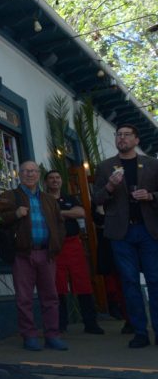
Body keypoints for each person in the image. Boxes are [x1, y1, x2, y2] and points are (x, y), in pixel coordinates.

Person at [93, 123, 158, 348]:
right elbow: (97, 199)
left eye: (127, 135)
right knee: (129, 282)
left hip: (149, 230)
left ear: (136, 140)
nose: (122, 138)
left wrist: (151, 196)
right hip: (121, 233)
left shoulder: (152, 164)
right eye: (119, 135)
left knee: (155, 281)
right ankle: (140, 332)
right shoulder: (105, 167)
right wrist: (110, 187)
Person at [0, 161, 67, 351]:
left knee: (50, 297)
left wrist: (56, 244)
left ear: (38, 175)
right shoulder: (9, 196)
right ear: (19, 174)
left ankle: (52, 335)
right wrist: (15, 214)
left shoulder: (49, 199)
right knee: (24, 298)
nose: (30, 174)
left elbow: (60, 225)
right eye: (26, 171)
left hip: (46, 254)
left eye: (34, 171)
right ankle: (29, 336)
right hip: (23, 254)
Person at [43, 170, 104, 335]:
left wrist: (60, 213)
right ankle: (61, 324)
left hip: (73, 244)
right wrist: (67, 214)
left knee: (82, 282)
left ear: (61, 181)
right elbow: (43, 216)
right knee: (58, 285)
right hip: (54, 246)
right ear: (46, 182)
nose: (55, 181)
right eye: (51, 178)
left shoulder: (69, 198)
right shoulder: (43, 199)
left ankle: (90, 323)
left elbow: (81, 212)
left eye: (57, 178)